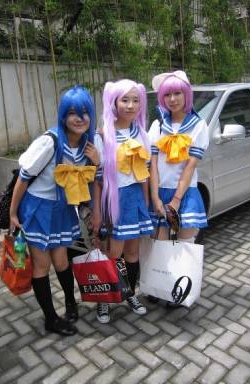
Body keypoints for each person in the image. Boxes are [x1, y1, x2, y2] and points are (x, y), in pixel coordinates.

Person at [10, 85, 100, 336]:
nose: (79, 118)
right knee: (42, 265)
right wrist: (13, 213)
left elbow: (88, 182)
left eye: (84, 112)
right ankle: (51, 318)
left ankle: (70, 303)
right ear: (63, 116)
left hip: (62, 209)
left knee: (61, 260)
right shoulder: (49, 142)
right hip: (38, 209)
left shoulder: (88, 145)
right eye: (72, 113)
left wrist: (97, 162)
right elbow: (24, 178)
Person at [92, 79, 154, 323]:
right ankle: (105, 299)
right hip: (114, 200)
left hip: (136, 200)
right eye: (125, 100)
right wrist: (97, 212)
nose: (131, 105)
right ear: (114, 102)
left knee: (132, 252)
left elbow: (145, 174)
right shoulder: (103, 135)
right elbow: (97, 181)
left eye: (135, 100)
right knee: (113, 253)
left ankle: (129, 293)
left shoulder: (142, 134)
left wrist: (147, 203)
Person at [149, 70, 209, 243]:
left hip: (185, 194)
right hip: (159, 194)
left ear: (187, 94)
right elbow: (153, 165)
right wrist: (155, 198)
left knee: (184, 251)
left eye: (177, 93)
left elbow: (190, 166)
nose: (172, 99)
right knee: (159, 249)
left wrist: (176, 201)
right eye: (167, 94)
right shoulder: (157, 125)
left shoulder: (198, 125)